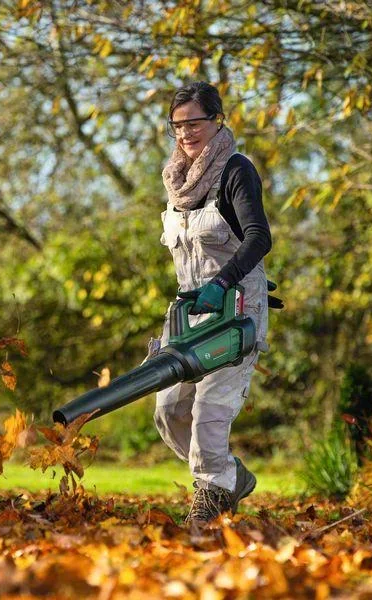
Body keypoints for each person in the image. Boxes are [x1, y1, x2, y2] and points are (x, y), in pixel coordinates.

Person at [153, 81, 272, 526]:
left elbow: (259, 237)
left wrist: (223, 282)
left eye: (194, 123)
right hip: (189, 313)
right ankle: (226, 476)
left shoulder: (235, 170)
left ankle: (207, 507)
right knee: (168, 411)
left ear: (216, 121)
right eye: (177, 126)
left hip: (235, 307)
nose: (185, 133)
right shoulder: (175, 182)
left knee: (209, 413)